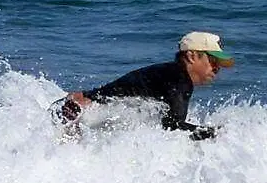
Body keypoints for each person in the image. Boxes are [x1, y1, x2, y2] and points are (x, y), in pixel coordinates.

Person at [53, 31, 234, 140]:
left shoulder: (169, 73)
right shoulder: (179, 80)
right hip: (77, 113)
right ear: (192, 56)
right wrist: (211, 134)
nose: (217, 68)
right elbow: (173, 127)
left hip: (74, 109)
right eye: (212, 61)